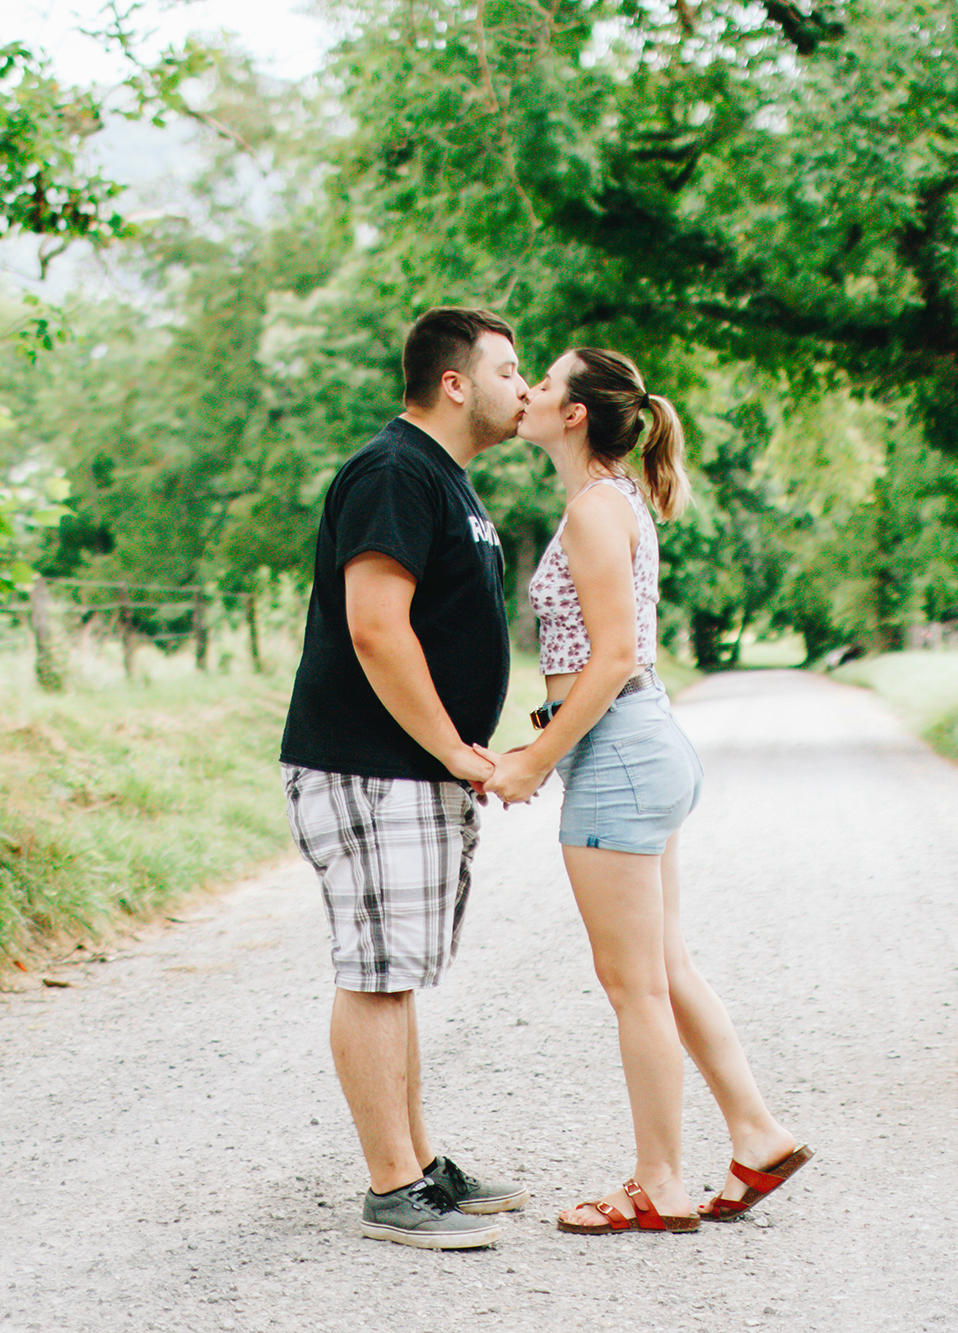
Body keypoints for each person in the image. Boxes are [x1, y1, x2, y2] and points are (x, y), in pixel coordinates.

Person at [484, 347, 811, 1236]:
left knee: (634, 984)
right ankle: (758, 1133)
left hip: (620, 749)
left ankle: (658, 1181)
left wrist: (537, 757)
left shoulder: (595, 507)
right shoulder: (611, 498)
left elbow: (614, 655)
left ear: (577, 413)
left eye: (543, 384)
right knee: (664, 967)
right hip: (640, 740)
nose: (528, 394)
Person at [280, 307, 533, 1249]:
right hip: (370, 765)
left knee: (400, 970)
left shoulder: (444, 481)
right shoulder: (394, 470)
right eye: (510, 369)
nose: (526, 386)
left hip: (405, 771)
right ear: (456, 381)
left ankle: (420, 1164)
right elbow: (376, 628)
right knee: (378, 970)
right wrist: (457, 750)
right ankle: (393, 1187)